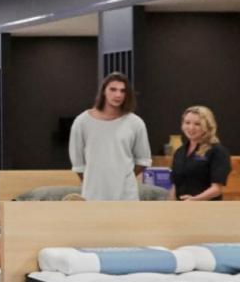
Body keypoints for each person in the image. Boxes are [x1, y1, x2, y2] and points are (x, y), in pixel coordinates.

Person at [69, 72, 150, 201]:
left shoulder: (135, 123)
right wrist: (94, 181)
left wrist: (124, 178)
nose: (118, 95)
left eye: (123, 91)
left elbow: (143, 160)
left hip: (126, 196)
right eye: (113, 89)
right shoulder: (82, 122)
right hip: (93, 194)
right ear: (103, 91)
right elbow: (78, 164)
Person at [170, 106, 230, 201]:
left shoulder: (217, 151)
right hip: (181, 207)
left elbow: (217, 189)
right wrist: (171, 204)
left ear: (208, 126)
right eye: (187, 123)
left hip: (207, 207)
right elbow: (175, 185)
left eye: (197, 124)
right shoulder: (179, 152)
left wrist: (195, 200)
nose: (191, 128)